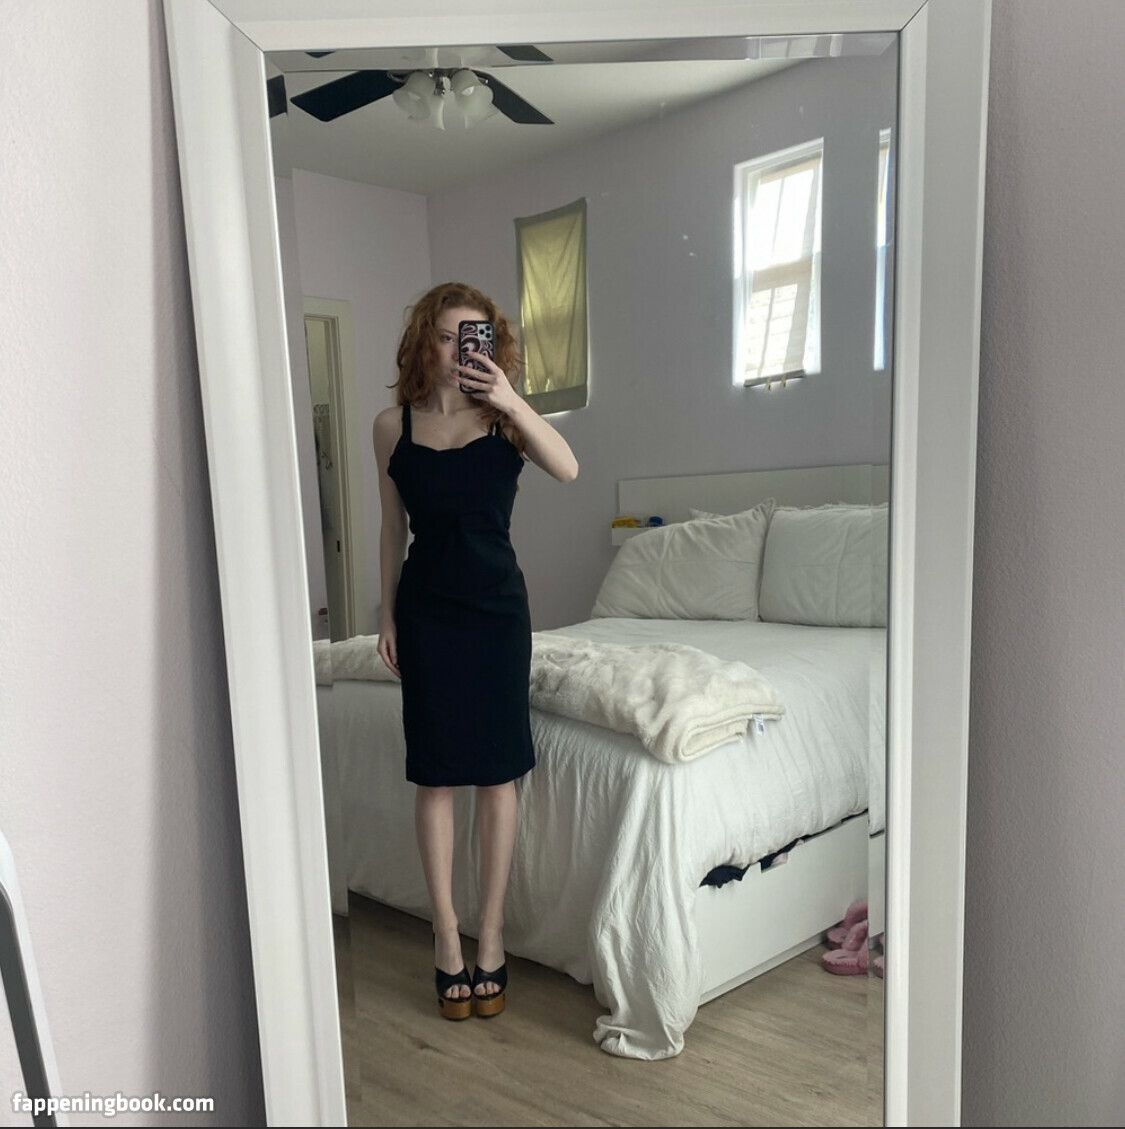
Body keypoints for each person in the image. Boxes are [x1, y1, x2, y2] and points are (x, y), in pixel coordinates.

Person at [372, 281, 579, 1020]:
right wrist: (387, 615)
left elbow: (568, 467)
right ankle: (445, 934)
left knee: (496, 775)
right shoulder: (390, 426)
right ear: (424, 340)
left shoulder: (505, 420)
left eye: (476, 337)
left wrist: (511, 398)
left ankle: (490, 932)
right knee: (434, 776)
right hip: (428, 613)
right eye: (448, 336)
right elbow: (392, 529)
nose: (461, 350)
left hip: (497, 613)